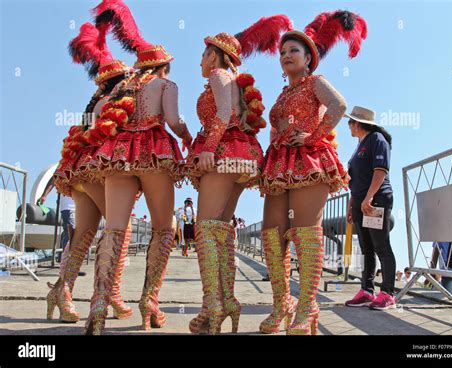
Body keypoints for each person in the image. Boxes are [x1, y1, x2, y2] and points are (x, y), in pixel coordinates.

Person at [82, 0, 193, 334]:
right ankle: (150, 303)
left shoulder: (118, 90)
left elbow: (95, 117)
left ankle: (98, 306)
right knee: (162, 230)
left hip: (117, 156)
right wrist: (189, 137)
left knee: (114, 229)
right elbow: (173, 120)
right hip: (154, 154)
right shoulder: (165, 85)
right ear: (163, 68)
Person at [259, 11, 367, 335]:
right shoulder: (281, 95)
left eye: (294, 51)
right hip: (280, 164)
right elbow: (275, 128)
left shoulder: (315, 83)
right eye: (282, 52)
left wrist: (314, 135)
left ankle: (307, 306)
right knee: (271, 235)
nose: (286, 56)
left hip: (310, 160)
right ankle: (282, 304)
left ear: (308, 59)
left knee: (306, 232)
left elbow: (339, 106)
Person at [185, 15, 293, 335]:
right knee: (220, 229)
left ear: (214, 55)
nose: (201, 60)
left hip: (222, 153)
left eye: (204, 53)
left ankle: (212, 306)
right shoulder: (235, 80)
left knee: (205, 229)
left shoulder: (220, 75)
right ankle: (227, 301)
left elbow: (223, 114)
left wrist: (208, 148)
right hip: (242, 157)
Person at [46, 20, 134, 324]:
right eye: (128, 78)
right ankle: (111, 292)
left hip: (80, 172)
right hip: (97, 171)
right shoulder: (117, 101)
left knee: (83, 233)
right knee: (120, 229)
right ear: (121, 81)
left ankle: (62, 291)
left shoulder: (95, 103)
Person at [344, 106, 397, 310]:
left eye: (350, 122)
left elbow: (380, 170)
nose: (348, 126)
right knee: (366, 249)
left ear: (357, 123)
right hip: (359, 201)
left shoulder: (377, 139)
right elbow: (355, 179)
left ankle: (388, 293)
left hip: (376, 199)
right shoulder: (359, 145)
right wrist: (352, 204)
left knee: (381, 246)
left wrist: (369, 197)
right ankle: (367, 290)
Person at [38, 177, 76, 258]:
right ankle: (67, 261)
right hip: (69, 205)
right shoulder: (64, 164)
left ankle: (62, 256)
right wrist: (44, 195)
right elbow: (54, 178)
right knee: (70, 232)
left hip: (81, 204)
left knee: (73, 233)